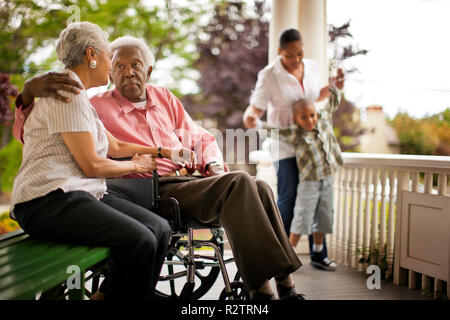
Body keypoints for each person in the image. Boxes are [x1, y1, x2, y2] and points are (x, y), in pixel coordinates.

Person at [13, 35, 304, 300]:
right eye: (120, 66)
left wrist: (212, 163)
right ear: (111, 72)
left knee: (261, 186)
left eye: (136, 64)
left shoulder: (164, 98)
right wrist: (25, 98)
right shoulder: (95, 102)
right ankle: (261, 291)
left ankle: (286, 284)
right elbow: (33, 132)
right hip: (148, 188)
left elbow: (198, 137)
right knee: (240, 182)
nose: (128, 71)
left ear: (148, 71)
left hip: (189, 181)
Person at [9, 22, 199, 300]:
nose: (112, 63)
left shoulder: (79, 97)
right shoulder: (67, 93)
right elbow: (92, 165)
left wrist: (164, 152)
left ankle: (123, 295)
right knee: (140, 239)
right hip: (47, 201)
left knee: (159, 228)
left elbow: (116, 145)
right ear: (91, 54)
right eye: (110, 56)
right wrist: (136, 166)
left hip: (79, 195)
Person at [243, 28, 344, 262]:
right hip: (285, 143)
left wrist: (335, 84)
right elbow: (256, 107)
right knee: (289, 196)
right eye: (290, 55)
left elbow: (316, 97)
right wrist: (250, 116)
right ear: (280, 52)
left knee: (316, 194)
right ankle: (280, 254)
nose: (296, 59)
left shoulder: (311, 67)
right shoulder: (269, 75)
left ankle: (319, 254)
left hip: (309, 144)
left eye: (299, 54)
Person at [257, 87, 343, 270]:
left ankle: (319, 253)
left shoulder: (324, 122)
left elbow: (333, 103)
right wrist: (256, 123)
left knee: (325, 216)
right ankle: (290, 256)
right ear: (296, 119)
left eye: (312, 115)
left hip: (327, 178)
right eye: (304, 117)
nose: (310, 120)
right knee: (302, 217)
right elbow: (275, 132)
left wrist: (337, 88)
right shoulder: (296, 133)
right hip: (309, 182)